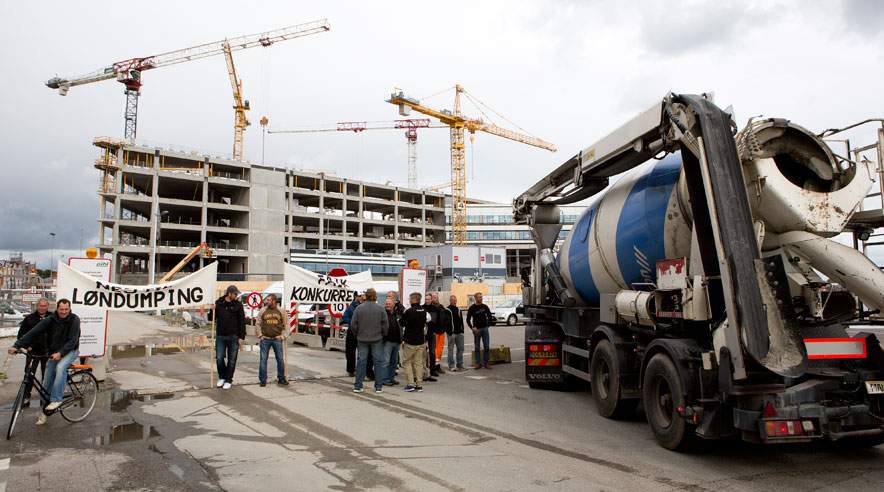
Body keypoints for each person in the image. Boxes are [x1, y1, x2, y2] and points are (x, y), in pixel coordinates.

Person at [9, 299, 80, 426]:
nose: (64, 311)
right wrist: (17, 345)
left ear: (69, 309)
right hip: (54, 352)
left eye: (66, 309)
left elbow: (72, 341)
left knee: (60, 368)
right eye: (61, 309)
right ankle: (44, 411)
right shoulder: (51, 319)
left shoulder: (74, 319)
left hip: (70, 351)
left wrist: (61, 353)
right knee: (45, 384)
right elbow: (33, 332)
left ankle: (57, 399)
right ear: (57, 309)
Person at [349, 288, 389, 393]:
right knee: (378, 363)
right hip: (377, 339)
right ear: (375, 296)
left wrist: (357, 334)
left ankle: (358, 386)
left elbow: (353, 324)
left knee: (361, 362)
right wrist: (383, 335)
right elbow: (385, 325)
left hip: (362, 338)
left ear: (365, 296)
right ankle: (378, 387)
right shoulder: (381, 308)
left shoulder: (359, 308)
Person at [16, 298, 51, 408]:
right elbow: (21, 335)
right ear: (37, 306)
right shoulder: (29, 319)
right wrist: (27, 346)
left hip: (47, 352)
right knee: (29, 375)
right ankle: (26, 396)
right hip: (33, 352)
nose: (42, 308)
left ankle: (45, 397)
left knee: (47, 376)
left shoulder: (52, 317)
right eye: (40, 305)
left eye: (45, 306)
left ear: (47, 306)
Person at [215, 285, 246, 390]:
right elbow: (212, 318)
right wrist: (211, 310)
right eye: (235, 294)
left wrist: (241, 336)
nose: (236, 295)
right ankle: (222, 377)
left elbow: (242, 321)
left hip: (233, 336)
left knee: (232, 360)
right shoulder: (219, 303)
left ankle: (228, 380)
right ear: (229, 293)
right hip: (220, 336)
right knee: (219, 358)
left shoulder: (238, 305)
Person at [258, 294, 289, 387]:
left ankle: (281, 379)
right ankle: (263, 380)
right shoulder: (263, 310)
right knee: (263, 360)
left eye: (269, 300)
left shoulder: (281, 311)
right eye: (266, 300)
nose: (266, 301)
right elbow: (258, 323)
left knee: (280, 359)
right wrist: (260, 335)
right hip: (265, 339)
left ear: (274, 301)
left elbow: (286, 324)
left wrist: (283, 336)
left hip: (277, 339)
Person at [400, 292, 428, 392]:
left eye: (410, 299)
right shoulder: (423, 311)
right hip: (420, 340)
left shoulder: (409, 311)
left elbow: (402, 323)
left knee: (406, 362)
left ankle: (410, 384)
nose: (409, 300)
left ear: (413, 299)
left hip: (410, 341)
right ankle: (419, 384)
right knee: (418, 363)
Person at [467, 292, 494, 369]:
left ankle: (486, 363)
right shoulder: (472, 308)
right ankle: (478, 363)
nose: (480, 298)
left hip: (485, 329)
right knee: (477, 347)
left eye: (481, 297)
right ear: (475, 298)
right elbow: (468, 319)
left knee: (486, 346)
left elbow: (490, 317)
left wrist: (487, 326)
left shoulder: (485, 307)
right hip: (477, 330)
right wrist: (472, 327)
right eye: (479, 297)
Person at [342, 294, 364, 377]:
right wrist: (352, 323)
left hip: (362, 332)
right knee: (350, 352)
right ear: (356, 297)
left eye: (361, 295)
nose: (360, 297)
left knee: (362, 352)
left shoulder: (365, 306)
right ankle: (351, 370)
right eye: (359, 296)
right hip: (352, 332)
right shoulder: (351, 306)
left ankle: (361, 369)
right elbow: (345, 316)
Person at [382, 297, 402, 386]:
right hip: (387, 341)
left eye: (389, 303)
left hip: (396, 341)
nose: (387, 305)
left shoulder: (396, 314)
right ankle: (384, 379)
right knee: (386, 361)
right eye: (386, 303)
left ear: (394, 305)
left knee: (394, 362)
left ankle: (391, 378)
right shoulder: (382, 314)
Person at [430, 293, 451, 374]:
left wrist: (445, 327)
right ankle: (433, 367)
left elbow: (446, 318)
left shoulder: (441, 307)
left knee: (440, 350)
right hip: (434, 332)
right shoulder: (431, 308)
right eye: (434, 297)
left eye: (436, 297)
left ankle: (437, 366)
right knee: (434, 350)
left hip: (441, 331)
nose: (435, 299)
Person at [422, 293, 440, 380]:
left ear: (431, 299)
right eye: (426, 299)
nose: (427, 301)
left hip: (432, 333)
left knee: (432, 352)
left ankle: (433, 370)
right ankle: (425, 370)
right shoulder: (422, 308)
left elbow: (437, 321)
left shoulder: (435, 309)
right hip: (424, 334)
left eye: (428, 299)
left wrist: (436, 330)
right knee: (424, 353)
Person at [446, 295, 465, 371]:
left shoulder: (459, 310)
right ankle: (451, 366)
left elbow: (461, 321)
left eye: (455, 300)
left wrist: (462, 330)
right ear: (450, 301)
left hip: (459, 333)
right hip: (451, 333)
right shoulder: (447, 310)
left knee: (460, 349)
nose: (454, 301)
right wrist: (449, 332)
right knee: (451, 349)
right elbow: (445, 322)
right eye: (453, 300)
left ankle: (460, 365)